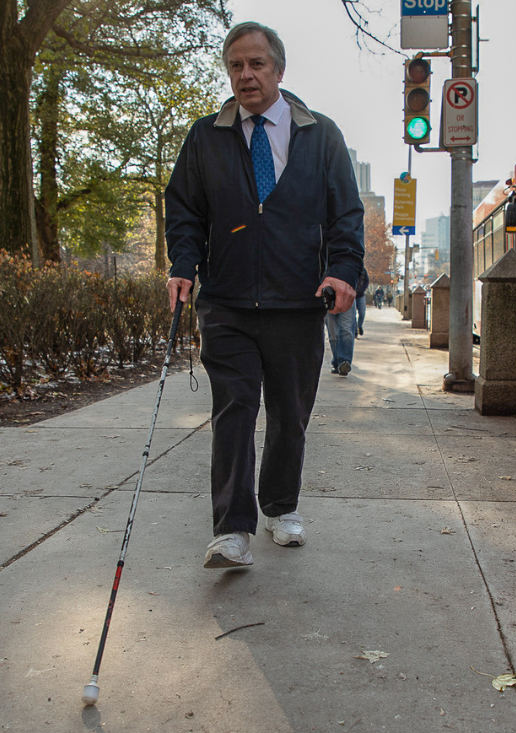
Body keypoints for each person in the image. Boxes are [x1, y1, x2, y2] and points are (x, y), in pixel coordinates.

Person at [165, 21, 364, 569]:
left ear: (278, 69)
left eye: (256, 64)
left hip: (298, 302)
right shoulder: (206, 136)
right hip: (226, 301)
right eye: (235, 66)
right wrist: (183, 264)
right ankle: (231, 530)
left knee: (289, 414)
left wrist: (344, 271)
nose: (246, 75)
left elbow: (346, 216)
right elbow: (184, 210)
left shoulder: (320, 134)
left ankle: (281, 506)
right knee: (234, 409)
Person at [355, 267, 369, 336]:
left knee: (362, 313)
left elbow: (366, 281)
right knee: (352, 315)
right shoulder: (350, 269)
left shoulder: (363, 270)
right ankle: (354, 330)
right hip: (352, 296)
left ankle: (359, 326)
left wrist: (362, 289)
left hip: (361, 295)